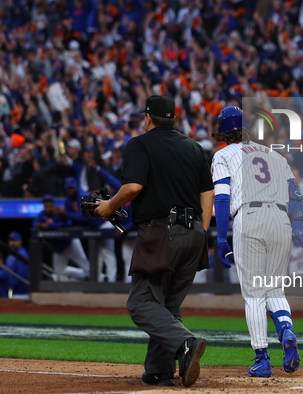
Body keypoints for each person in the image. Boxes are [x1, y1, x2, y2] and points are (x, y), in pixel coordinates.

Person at [95, 95, 213, 388]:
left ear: (148, 117)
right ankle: (160, 370)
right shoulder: (194, 147)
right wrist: (201, 229)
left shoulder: (140, 144)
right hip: (195, 233)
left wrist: (109, 206)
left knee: (140, 303)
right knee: (168, 305)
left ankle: (185, 343)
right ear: (172, 118)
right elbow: (208, 193)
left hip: (162, 232)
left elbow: (134, 186)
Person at [210, 106, 303, 378]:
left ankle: (262, 358)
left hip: (250, 216)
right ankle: (286, 330)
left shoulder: (223, 154)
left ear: (223, 131)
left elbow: (221, 198)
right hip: (281, 219)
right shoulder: (275, 155)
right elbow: (297, 194)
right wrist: (299, 226)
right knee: (275, 290)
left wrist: (221, 236)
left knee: (254, 294)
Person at [62, 176, 117, 282]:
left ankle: (111, 279)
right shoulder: (68, 200)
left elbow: (84, 217)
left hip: (104, 224)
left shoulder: (84, 196)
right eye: (68, 188)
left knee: (108, 253)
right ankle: (98, 279)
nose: (70, 190)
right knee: (97, 254)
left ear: (76, 186)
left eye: (72, 187)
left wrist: (67, 214)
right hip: (94, 227)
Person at [34, 194, 90, 281]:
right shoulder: (42, 215)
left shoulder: (59, 212)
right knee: (58, 273)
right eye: (46, 205)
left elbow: (67, 224)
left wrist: (49, 226)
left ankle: (101, 278)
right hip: (59, 248)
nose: (48, 207)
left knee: (86, 267)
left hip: (70, 243)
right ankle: (81, 276)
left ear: (53, 205)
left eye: (49, 204)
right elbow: (35, 224)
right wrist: (40, 225)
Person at [6, 231, 31, 297]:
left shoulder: (22, 254)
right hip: (13, 292)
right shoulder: (10, 255)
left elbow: (22, 275)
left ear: (20, 241)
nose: (12, 243)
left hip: (21, 293)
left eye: (14, 240)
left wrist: (11, 286)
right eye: (10, 240)